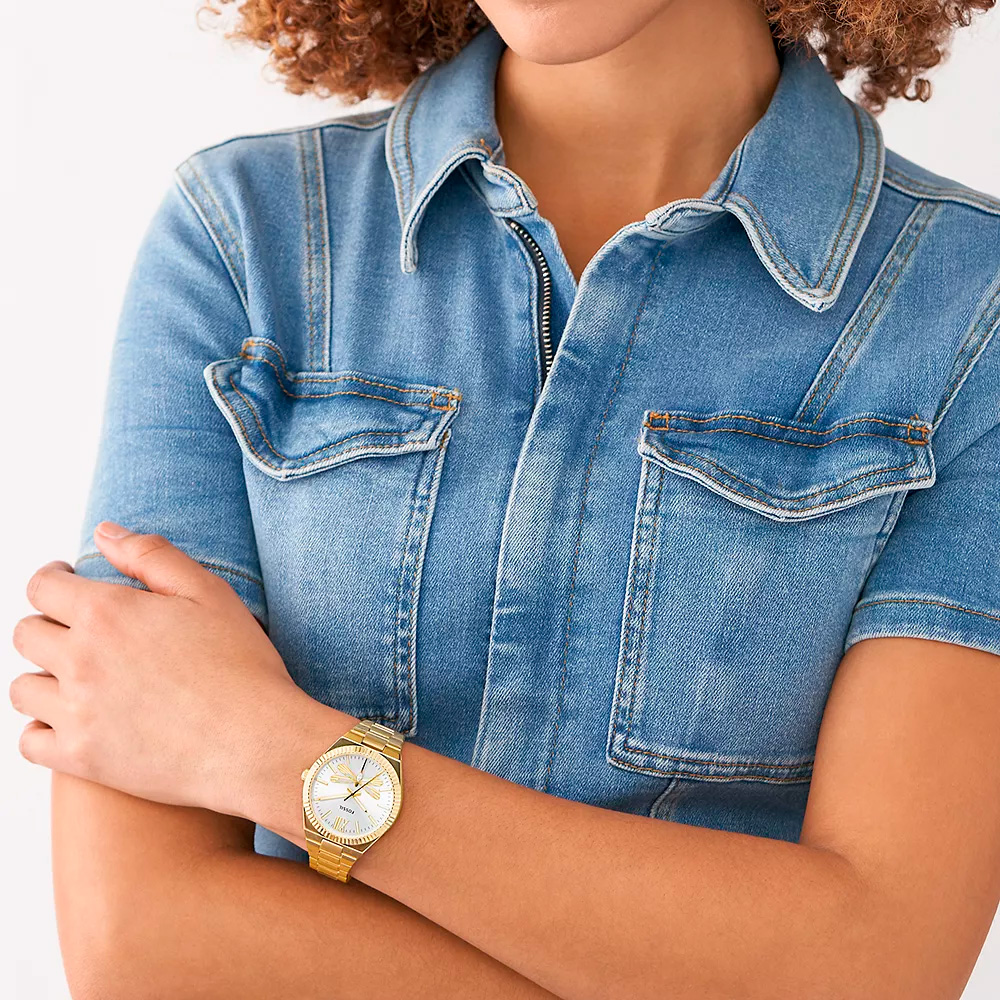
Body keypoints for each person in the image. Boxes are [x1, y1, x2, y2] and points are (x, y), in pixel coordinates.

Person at [10, 1, 1000, 996]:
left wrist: (268, 749)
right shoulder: (248, 237)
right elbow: (138, 940)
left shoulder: (972, 313)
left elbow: (879, 964)